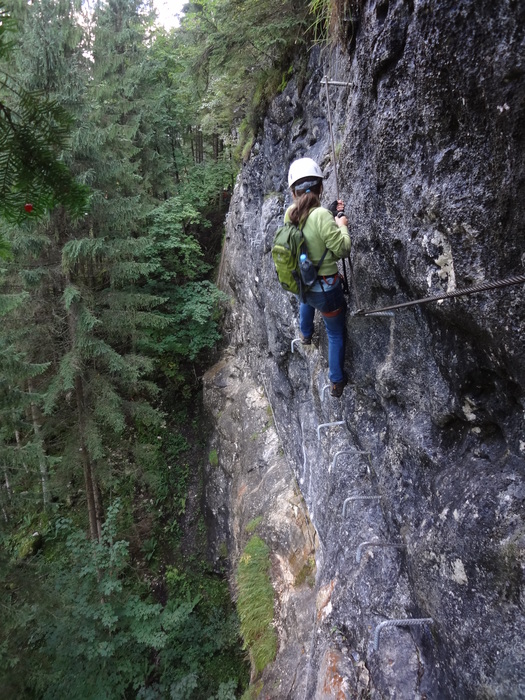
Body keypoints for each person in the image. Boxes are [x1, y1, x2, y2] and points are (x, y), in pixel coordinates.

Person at [285, 157, 351, 397]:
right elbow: (342, 250)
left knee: (306, 299)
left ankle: (306, 333)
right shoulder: (322, 216)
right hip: (326, 292)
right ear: (320, 187)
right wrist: (341, 224)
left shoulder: (289, 214)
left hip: (305, 285)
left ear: (294, 192)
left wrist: (328, 215)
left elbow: (308, 230)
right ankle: (336, 381)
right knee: (334, 332)